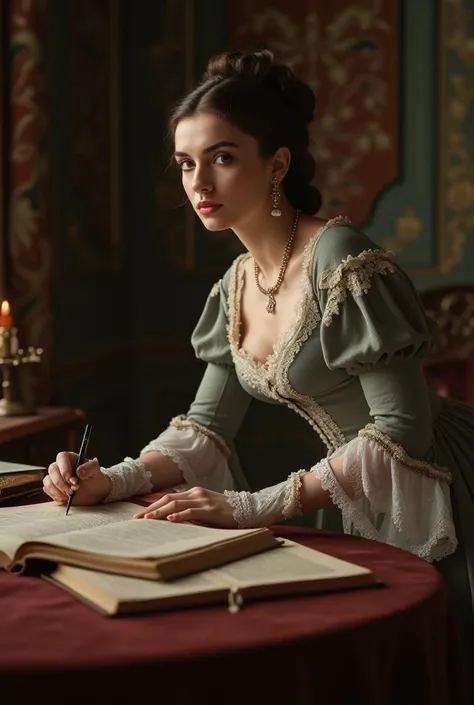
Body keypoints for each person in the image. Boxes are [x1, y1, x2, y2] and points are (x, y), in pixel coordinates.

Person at [44, 50, 473, 669]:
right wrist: (112, 480)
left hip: (442, 480)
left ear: (277, 164)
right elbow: (205, 427)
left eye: (222, 158)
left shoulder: (342, 259)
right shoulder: (237, 281)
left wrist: (252, 506)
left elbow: (404, 429)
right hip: (358, 486)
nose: (198, 183)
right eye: (186, 164)